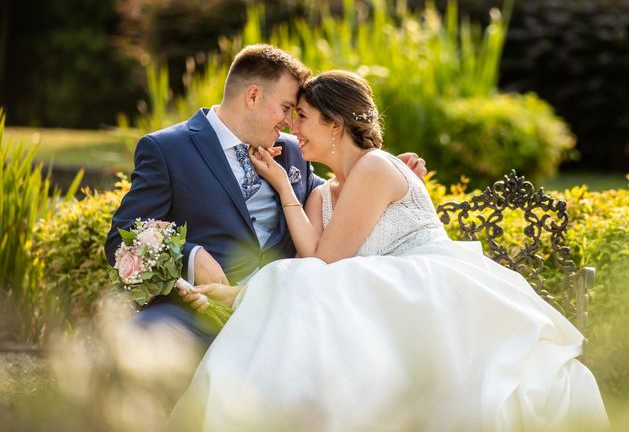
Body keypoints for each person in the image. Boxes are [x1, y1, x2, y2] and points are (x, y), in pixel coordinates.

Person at [172, 70, 608, 431]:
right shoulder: (321, 197)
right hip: (381, 297)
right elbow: (314, 259)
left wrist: (288, 191)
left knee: (305, 283)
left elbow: (327, 261)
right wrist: (286, 186)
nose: (293, 128)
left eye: (302, 117)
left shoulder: (377, 167)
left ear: (335, 124)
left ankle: (241, 308)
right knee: (305, 286)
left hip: (431, 285)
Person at [105, 45, 426, 343]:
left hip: (286, 309)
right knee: (145, 336)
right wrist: (191, 255)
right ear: (253, 96)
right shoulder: (167, 149)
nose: (290, 124)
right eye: (287, 108)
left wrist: (388, 176)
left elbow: (334, 198)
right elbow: (123, 237)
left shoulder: (293, 150)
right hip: (201, 307)